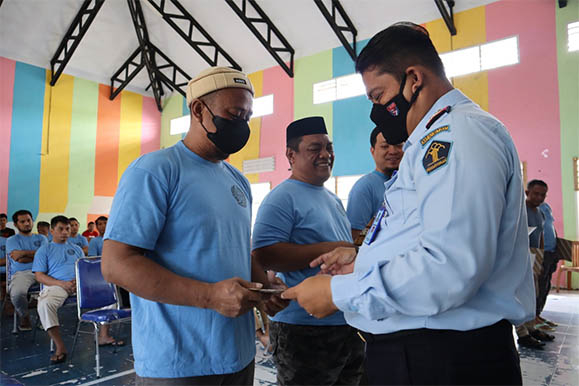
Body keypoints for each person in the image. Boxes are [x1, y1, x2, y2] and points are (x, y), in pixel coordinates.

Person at [283, 23, 535, 385]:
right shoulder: (431, 140)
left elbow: (449, 267)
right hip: (424, 351)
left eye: (378, 96)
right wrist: (362, 259)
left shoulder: (457, 136)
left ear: (413, 79)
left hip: (444, 357)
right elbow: (423, 236)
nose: (376, 111)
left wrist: (338, 293)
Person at [100, 67, 287, 384]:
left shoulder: (237, 180)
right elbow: (116, 264)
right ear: (199, 109)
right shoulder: (156, 170)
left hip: (239, 355)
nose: (241, 125)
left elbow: (238, 252)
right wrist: (210, 296)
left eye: (247, 117)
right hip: (179, 362)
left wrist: (265, 289)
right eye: (234, 114)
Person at [252, 117, 364, 386]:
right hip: (304, 329)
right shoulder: (282, 198)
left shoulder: (333, 198)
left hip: (345, 320)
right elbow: (264, 254)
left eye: (328, 147)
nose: (326, 154)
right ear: (291, 154)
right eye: (315, 148)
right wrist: (331, 249)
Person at [33, 215, 121, 364]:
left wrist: (81, 281)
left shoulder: (77, 249)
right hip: (58, 286)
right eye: (60, 229)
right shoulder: (44, 250)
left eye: (67, 229)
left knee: (111, 294)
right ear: (52, 231)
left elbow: (86, 269)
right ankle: (60, 346)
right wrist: (62, 284)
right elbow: (39, 276)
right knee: (45, 304)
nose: (65, 232)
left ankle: (103, 336)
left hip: (81, 285)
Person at [347, 127, 403, 240]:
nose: (392, 151)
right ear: (372, 151)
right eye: (385, 146)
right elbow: (356, 238)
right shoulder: (364, 188)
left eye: (398, 145)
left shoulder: (410, 182)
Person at [6, 209, 48, 330]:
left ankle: (46, 318)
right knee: (17, 293)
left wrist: (23, 253)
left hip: (43, 271)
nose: (26, 223)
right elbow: (19, 260)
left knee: (57, 289)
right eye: (22, 221)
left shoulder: (42, 238)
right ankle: (24, 315)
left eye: (29, 220)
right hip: (22, 273)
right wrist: (37, 255)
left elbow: (45, 256)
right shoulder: (12, 240)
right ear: (15, 224)